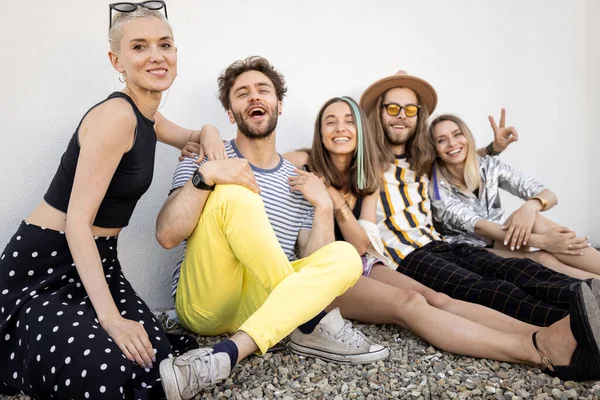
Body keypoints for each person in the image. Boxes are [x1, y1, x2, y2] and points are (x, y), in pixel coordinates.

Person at [283, 95, 600, 381]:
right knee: (479, 288)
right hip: (397, 256)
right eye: (392, 108)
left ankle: (583, 307)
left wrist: (491, 150)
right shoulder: (346, 164)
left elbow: (457, 154)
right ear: (376, 118)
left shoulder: (398, 166)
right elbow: (269, 164)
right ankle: (568, 332)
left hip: (431, 243)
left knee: (511, 271)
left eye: (410, 109)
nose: (401, 115)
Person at [0, 3, 213, 399]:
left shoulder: (148, 114)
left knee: (154, 356)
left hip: (98, 262)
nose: (156, 55)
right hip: (44, 268)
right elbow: (77, 223)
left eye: (165, 44)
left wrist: (211, 133)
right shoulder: (117, 115)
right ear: (117, 60)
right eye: (139, 47)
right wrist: (112, 320)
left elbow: (194, 135)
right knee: (106, 373)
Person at [155, 56, 388, 400]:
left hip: (264, 306)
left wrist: (323, 205)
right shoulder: (206, 156)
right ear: (232, 114)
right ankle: (309, 323)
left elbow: (317, 263)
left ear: (278, 105)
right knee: (236, 192)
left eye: (263, 90)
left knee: (346, 256)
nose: (254, 97)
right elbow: (167, 235)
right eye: (242, 93)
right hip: (206, 303)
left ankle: (226, 354)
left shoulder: (297, 181)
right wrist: (208, 175)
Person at [427, 112, 600, 280]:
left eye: (458, 135)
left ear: (467, 138)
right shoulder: (436, 188)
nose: (452, 143)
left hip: (501, 238)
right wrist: (543, 242)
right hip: (468, 253)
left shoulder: (487, 166)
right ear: (434, 149)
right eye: (441, 140)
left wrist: (530, 207)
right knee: (542, 259)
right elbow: (479, 226)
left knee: (535, 220)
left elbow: (548, 194)